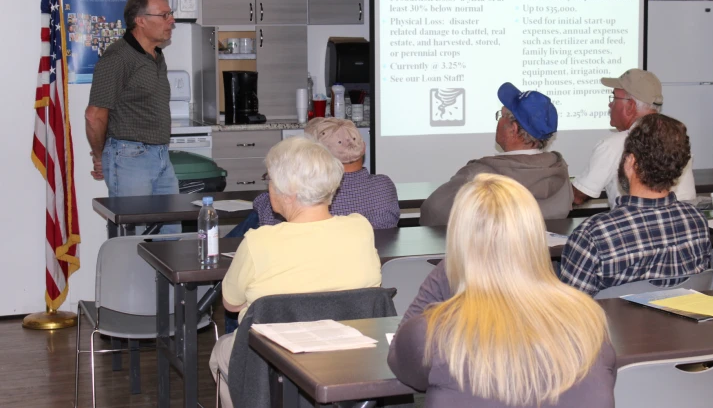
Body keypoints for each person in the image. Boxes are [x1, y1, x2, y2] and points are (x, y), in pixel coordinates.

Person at [389, 174, 616, 408]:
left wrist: (449, 271)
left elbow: (401, 361)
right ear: (535, 234)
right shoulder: (590, 319)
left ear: (457, 239)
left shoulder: (433, 334)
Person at [209, 136, 382, 408]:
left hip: (272, 365)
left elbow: (231, 304)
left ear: (285, 189)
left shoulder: (258, 242)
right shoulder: (360, 229)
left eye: (270, 179)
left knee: (221, 351)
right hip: (349, 359)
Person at [560, 114, 712, 297]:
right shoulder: (697, 222)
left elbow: (569, 313)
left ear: (631, 162)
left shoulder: (594, 235)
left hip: (614, 326)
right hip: (680, 325)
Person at [85, 0, 180, 233]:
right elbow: (94, 115)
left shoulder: (157, 56)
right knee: (132, 238)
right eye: (164, 15)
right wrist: (100, 156)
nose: (171, 20)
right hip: (130, 158)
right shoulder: (117, 58)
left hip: (161, 157)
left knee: (170, 235)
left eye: (170, 14)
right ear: (140, 20)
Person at [419, 83, 572, 226]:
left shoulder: (478, 176)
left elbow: (431, 212)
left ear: (513, 129)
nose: (498, 120)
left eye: (502, 115)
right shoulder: (560, 171)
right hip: (541, 253)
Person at [226, 118, 400, 236]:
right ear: (363, 148)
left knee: (253, 220)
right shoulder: (384, 185)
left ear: (319, 156)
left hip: (303, 270)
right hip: (366, 267)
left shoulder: (313, 193)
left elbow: (268, 213)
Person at [571, 68, 696, 208]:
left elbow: (577, 196)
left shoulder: (614, 145)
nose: (610, 104)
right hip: (681, 222)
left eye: (614, 98)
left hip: (631, 227)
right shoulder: (676, 139)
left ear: (630, 106)